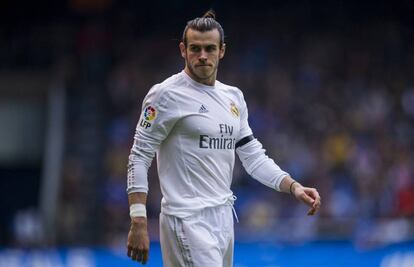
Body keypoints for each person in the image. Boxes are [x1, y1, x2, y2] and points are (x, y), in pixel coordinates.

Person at [126, 10, 321, 267]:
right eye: (195, 48)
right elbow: (138, 156)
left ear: (222, 51)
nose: (203, 56)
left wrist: (293, 186)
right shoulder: (165, 95)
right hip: (186, 218)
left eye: (209, 48)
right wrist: (138, 219)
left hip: (223, 217)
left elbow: (252, 157)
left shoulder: (233, 97)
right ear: (183, 50)